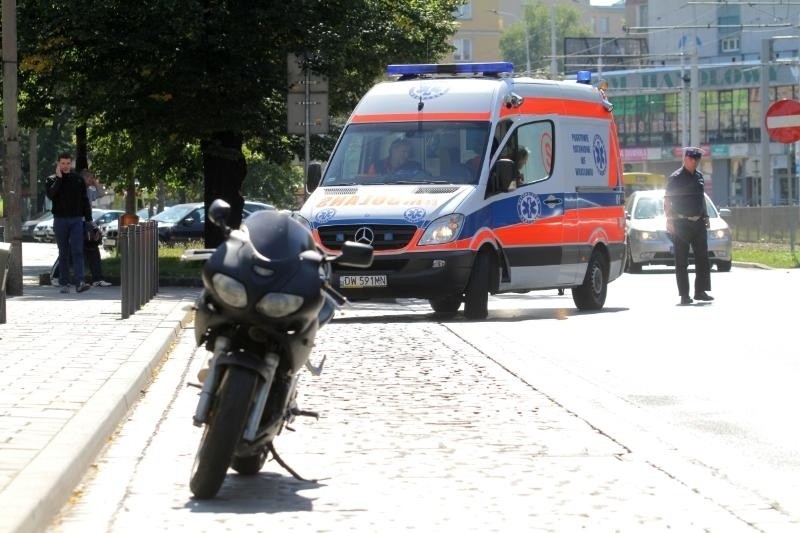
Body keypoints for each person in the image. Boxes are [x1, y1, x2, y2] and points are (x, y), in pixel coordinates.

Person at [665, 146, 712, 305]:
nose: (695, 162)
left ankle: (700, 291)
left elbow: (701, 198)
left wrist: (706, 216)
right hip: (681, 223)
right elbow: (667, 200)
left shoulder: (699, 177)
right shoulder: (676, 177)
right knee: (682, 260)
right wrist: (669, 220)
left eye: (697, 159)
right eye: (692, 159)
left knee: (702, 258)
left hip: (698, 222)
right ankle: (684, 295)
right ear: (685, 159)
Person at [45, 152, 92, 294]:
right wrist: (59, 179)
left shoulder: (77, 179)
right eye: (62, 163)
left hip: (76, 219)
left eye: (67, 163)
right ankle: (64, 283)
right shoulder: (51, 180)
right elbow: (51, 195)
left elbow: (84, 200)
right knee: (63, 252)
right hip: (60, 220)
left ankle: (80, 282)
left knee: (77, 251)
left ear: (71, 164)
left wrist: (89, 219)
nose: (65, 166)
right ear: (58, 164)